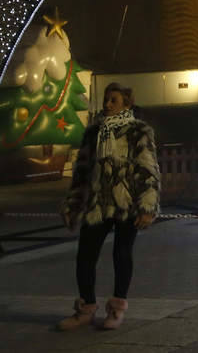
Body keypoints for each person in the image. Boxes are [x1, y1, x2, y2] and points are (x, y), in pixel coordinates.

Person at [57, 83, 160, 331]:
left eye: (113, 100)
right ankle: (86, 309)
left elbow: (148, 170)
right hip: (97, 204)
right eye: (106, 100)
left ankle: (116, 309)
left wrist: (147, 207)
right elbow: (82, 172)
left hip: (127, 203)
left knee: (121, 255)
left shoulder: (138, 131)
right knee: (85, 256)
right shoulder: (94, 133)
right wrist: (73, 205)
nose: (107, 105)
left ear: (126, 103)